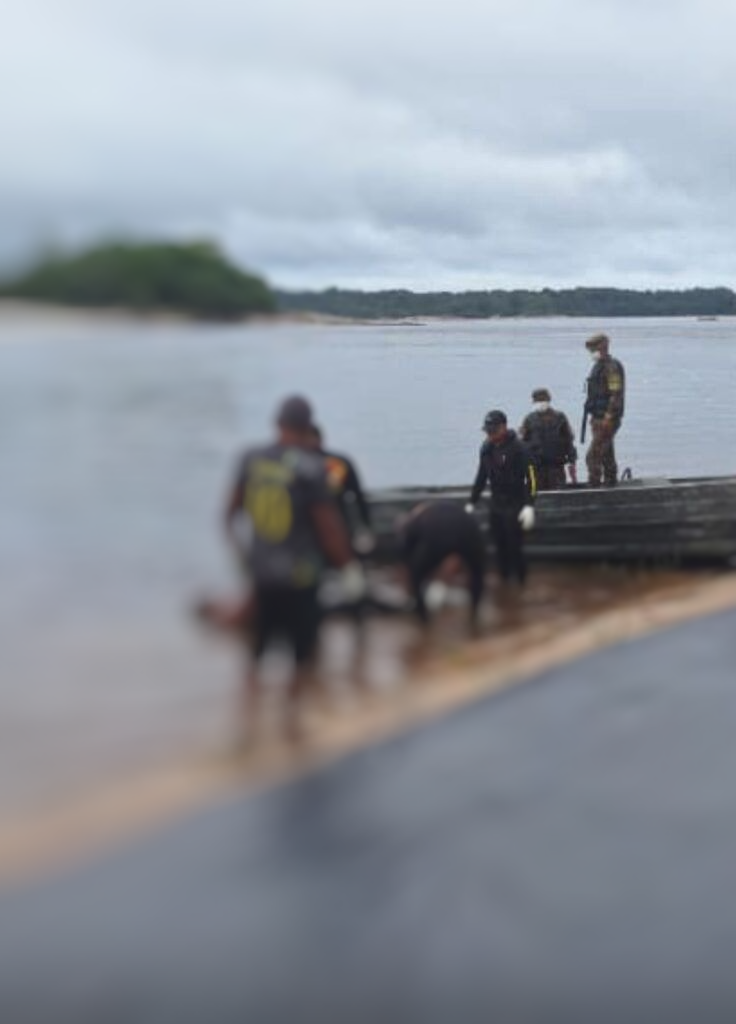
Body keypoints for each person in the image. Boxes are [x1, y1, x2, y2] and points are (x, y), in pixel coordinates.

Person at [223, 395, 362, 742]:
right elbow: (328, 528)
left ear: (277, 424)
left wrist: (245, 561)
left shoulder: (251, 460)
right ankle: (290, 726)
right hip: (301, 579)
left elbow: (228, 516)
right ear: (307, 426)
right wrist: (349, 570)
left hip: (263, 578)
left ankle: (246, 731)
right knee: (301, 657)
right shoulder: (311, 467)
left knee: (255, 658)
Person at [466, 409, 536, 587]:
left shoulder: (520, 449)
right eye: (488, 431)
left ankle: (522, 584)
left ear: (503, 427)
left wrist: (529, 506)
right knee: (499, 548)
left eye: (493, 431)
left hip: (516, 505)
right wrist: (472, 502)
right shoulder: (486, 449)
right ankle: (505, 584)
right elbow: (481, 477)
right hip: (496, 505)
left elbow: (532, 480)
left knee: (515, 548)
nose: (490, 435)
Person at [398, 500, 485, 629]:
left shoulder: (417, 519)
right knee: (477, 573)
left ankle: (423, 619)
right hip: (468, 533)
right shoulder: (453, 510)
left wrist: (411, 581)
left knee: (416, 575)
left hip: (437, 539)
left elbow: (406, 555)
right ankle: (475, 614)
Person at [307, 425, 375, 555]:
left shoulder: (337, 463)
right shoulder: (297, 466)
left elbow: (358, 496)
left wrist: (366, 525)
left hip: (338, 526)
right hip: (313, 530)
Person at [583, 333, 625, 487]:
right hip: (597, 417)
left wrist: (609, 416)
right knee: (606, 453)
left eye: (594, 347)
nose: (591, 351)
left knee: (592, 456)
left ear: (603, 346)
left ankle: (593, 486)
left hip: (607, 418)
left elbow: (616, 393)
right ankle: (610, 482)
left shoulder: (611, 367)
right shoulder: (598, 366)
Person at [519, 388, 577, 491]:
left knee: (558, 496)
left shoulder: (560, 417)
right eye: (538, 401)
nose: (541, 403)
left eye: (543, 400)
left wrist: (572, 462)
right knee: (535, 494)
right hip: (536, 468)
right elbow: (522, 444)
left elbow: (569, 440)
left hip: (556, 467)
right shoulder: (529, 419)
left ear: (548, 400)